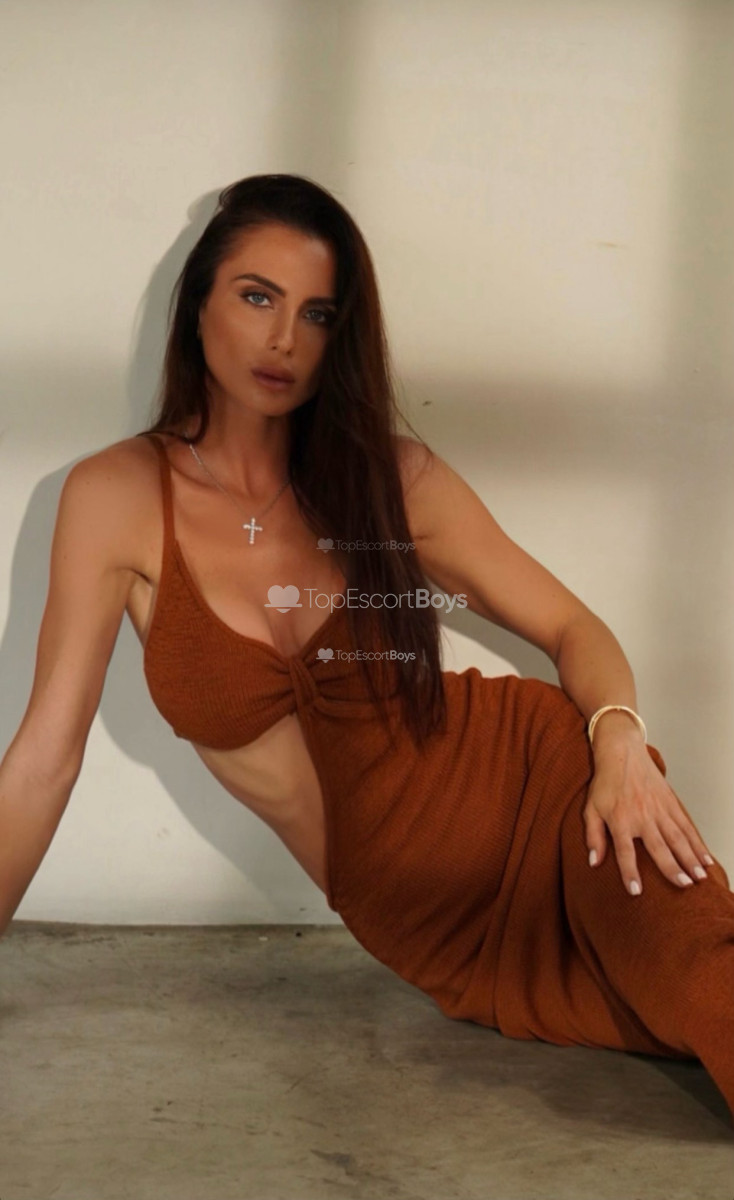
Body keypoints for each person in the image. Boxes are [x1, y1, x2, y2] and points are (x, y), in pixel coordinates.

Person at [1, 173, 732, 1125]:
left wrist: (620, 742)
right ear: (198, 303)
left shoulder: (391, 478)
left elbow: (573, 628)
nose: (283, 339)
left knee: (707, 986)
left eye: (317, 314)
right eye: (256, 296)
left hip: (556, 798)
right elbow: (42, 763)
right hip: (439, 940)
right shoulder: (116, 498)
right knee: (669, 1025)